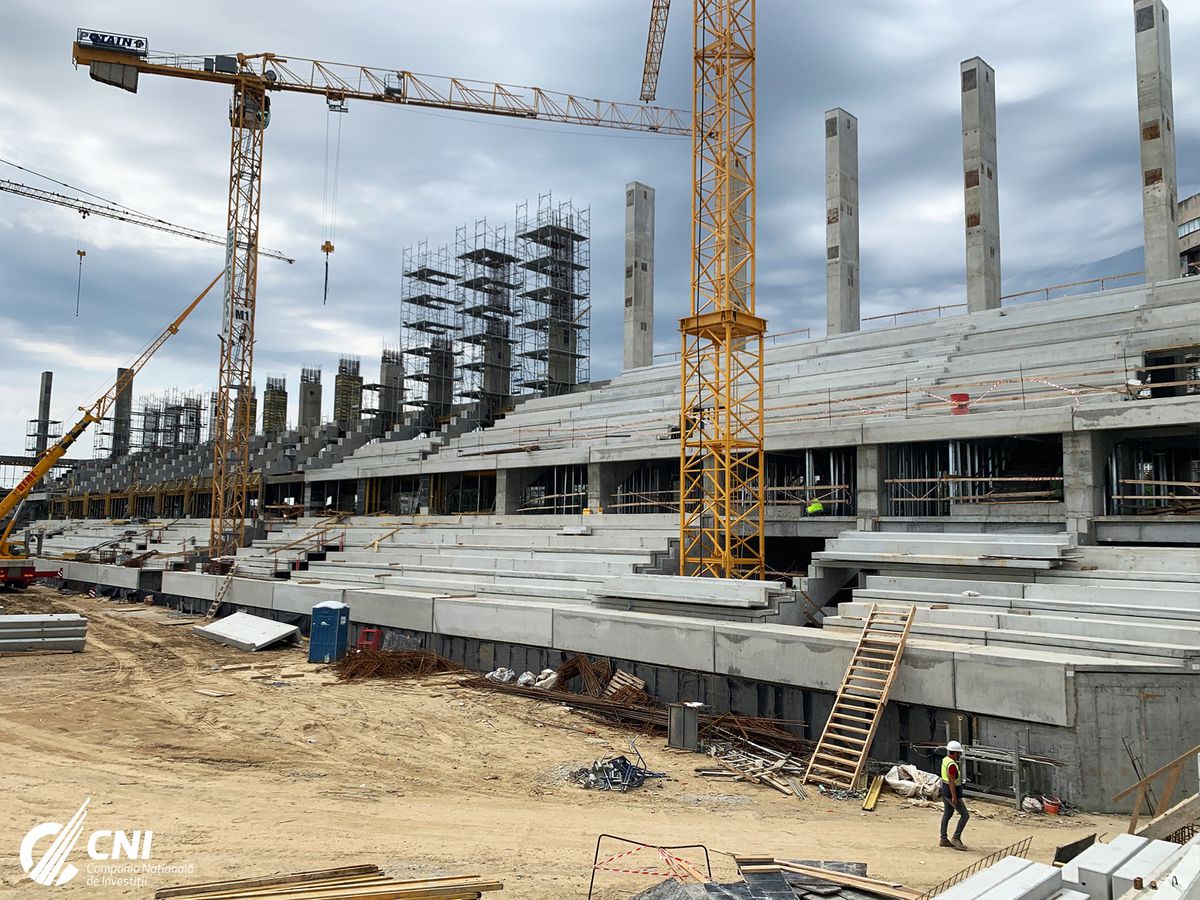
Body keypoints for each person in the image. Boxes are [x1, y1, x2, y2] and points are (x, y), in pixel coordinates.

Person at [939, 740, 970, 850]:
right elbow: (952, 781)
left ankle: (943, 838)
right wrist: (954, 797)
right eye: (958, 753)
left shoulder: (945, 760)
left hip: (945, 790)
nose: (959, 755)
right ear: (955, 753)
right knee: (965, 815)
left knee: (947, 813)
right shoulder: (952, 765)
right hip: (951, 792)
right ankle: (956, 838)